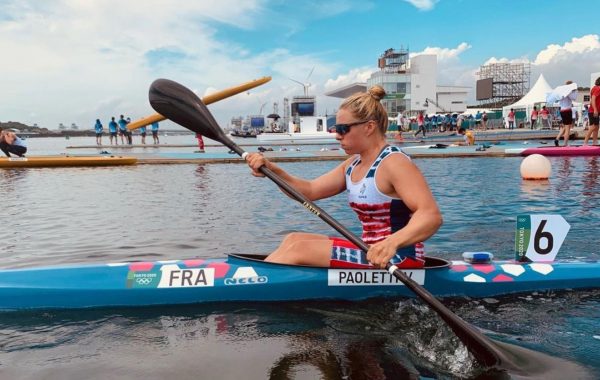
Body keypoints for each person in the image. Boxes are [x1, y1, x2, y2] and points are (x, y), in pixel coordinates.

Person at [245, 85, 443, 269]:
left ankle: (249, 284)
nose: (337, 135)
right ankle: (254, 276)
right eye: (335, 129)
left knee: (300, 250)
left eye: (342, 129)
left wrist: (392, 242)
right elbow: (309, 191)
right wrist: (272, 170)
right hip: (369, 250)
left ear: (369, 127)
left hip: (397, 257)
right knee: (293, 240)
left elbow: (430, 216)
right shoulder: (353, 164)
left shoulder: (394, 163)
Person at [555, 80, 578, 147]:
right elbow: (574, 98)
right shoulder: (568, 91)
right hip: (567, 110)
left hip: (562, 110)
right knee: (568, 128)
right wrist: (575, 91)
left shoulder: (561, 92)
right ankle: (565, 144)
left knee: (565, 127)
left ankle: (557, 138)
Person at [583, 77, 600, 146]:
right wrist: (595, 110)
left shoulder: (595, 88)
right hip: (593, 111)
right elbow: (593, 99)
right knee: (593, 127)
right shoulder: (598, 88)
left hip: (595, 110)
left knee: (597, 127)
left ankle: (594, 142)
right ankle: (585, 143)